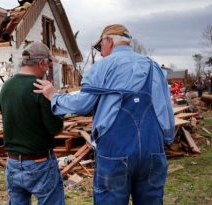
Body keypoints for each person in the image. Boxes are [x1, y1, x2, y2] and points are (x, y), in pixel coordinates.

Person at [34, 24, 174, 205]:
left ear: (109, 41)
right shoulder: (154, 67)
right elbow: (166, 110)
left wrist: (54, 96)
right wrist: (165, 140)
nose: (100, 53)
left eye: (100, 47)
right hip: (153, 150)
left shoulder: (103, 67)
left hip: (115, 151)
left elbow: (83, 104)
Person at [0, 41, 65, 205]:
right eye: (48, 63)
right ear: (41, 62)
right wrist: (55, 101)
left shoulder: (6, 87)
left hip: (13, 163)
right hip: (39, 163)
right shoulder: (41, 88)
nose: (48, 68)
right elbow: (55, 128)